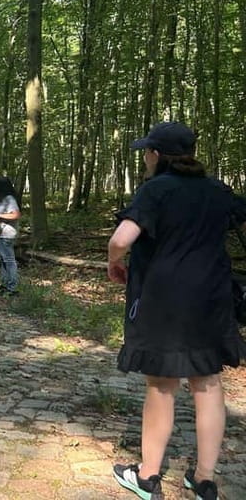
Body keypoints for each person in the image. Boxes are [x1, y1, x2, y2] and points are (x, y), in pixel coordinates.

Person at [107, 122, 246, 500]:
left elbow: (122, 239)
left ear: (156, 155)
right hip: (213, 301)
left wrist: (114, 262)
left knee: (162, 385)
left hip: (164, 300)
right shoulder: (218, 191)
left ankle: (148, 476)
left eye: (147, 153)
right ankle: (204, 480)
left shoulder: (156, 190)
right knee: (208, 384)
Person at [0, 177, 21, 296]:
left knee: (9, 260)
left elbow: (15, 215)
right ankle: (5, 284)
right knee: (3, 260)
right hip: (0, 233)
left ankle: (13, 287)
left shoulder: (9, 199)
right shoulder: (0, 200)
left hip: (7, 234)